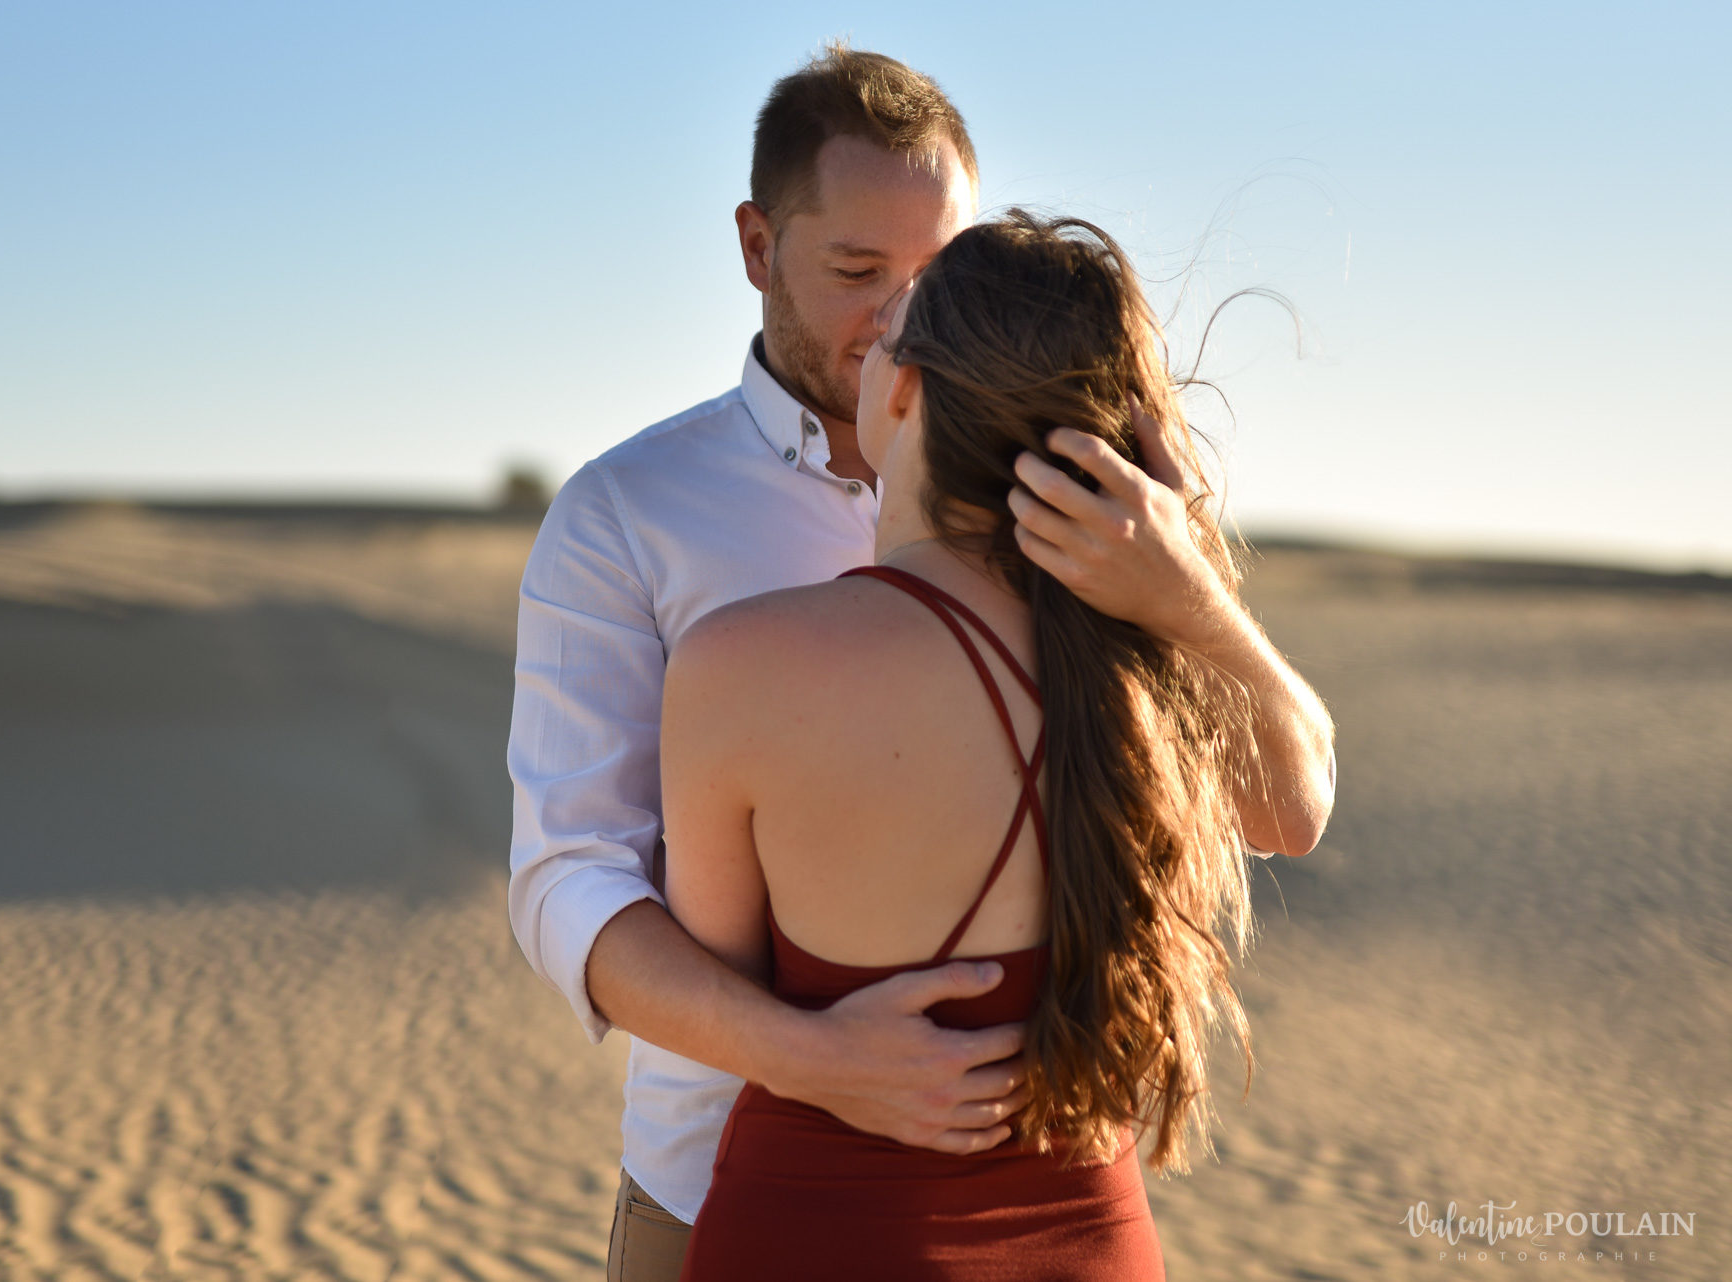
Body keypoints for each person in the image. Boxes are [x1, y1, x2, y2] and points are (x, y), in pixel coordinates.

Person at [506, 48, 1336, 1282]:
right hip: (719, 1183)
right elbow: (569, 878)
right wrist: (808, 1052)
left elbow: (1288, 806)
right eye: (857, 273)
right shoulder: (628, 514)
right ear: (756, 248)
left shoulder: (1083, 512)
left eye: (930, 278)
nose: (897, 320)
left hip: (1048, 1187)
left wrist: (1192, 590)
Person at [667, 210, 1299, 1278]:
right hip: (1091, 1244)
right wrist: (1192, 585)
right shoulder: (1146, 668)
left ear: (904, 391)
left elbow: (718, 984)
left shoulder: (741, 665)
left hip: (812, 1234)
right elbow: (1299, 803)